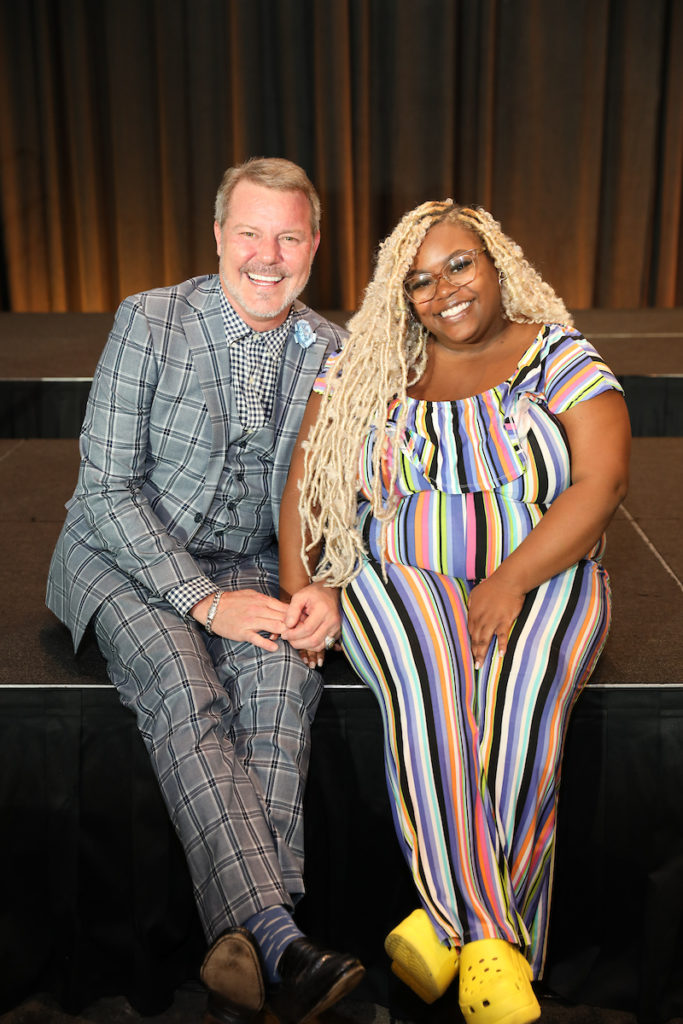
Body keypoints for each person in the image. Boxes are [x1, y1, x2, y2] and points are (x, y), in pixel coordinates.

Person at [278, 200, 631, 1024]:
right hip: (400, 571)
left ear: (497, 261)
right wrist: (303, 581)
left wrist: (508, 580)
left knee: (522, 713)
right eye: (420, 280)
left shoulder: (556, 355)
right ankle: (489, 939)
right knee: (433, 688)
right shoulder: (373, 364)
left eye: (459, 265)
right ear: (402, 298)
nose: (443, 290)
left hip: (546, 569)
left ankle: (447, 928)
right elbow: (308, 477)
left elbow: (599, 485)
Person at [46, 157, 364, 1024]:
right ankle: (280, 933)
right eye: (251, 233)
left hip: (261, 565)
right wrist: (199, 598)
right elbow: (106, 490)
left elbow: (343, 494)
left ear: (314, 244)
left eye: (288, 236)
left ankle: (249, 951)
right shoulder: (149, 321)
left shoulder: (335, 350)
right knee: (187, 691)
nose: (269, 254)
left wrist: (327, 584)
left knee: (280, 689)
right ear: (219, 237)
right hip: (124, 558)